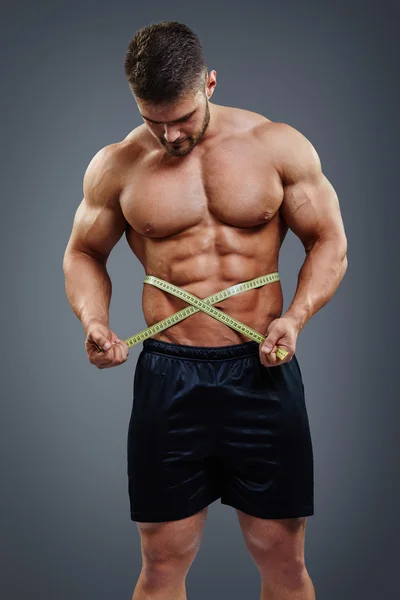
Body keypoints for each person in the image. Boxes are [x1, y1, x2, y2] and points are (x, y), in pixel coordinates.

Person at [63, 20, 347, 600]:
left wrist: (294, 318)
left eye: (182, 118)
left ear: (210, 84)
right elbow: (84, 252)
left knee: (282, 560)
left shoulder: (277, 146)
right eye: (152, 119)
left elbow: (330, 242)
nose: (168, 135)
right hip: (170, 373)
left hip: (262, 368)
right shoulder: (118, 165)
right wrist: (94, 322)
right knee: (162, 563)